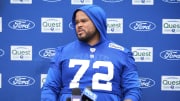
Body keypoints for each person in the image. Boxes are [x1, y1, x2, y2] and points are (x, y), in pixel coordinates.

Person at [41, 5, 141, 101]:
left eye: (83, 21)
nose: (79, 25)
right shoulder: (62, 52)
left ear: (97, 22)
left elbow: (132, 90)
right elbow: (50, 88)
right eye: (76, 22)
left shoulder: (122, 53)